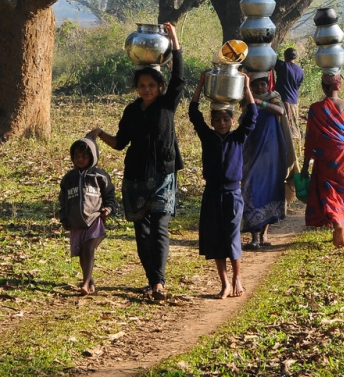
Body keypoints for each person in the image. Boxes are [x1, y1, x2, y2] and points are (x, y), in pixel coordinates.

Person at [88, 22, 184, 301]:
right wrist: (100, 134)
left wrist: (174, 39)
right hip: (135, 177)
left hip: (163, 175)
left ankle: (160, 282)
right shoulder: (131, 111)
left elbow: (179, 77)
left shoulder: (167, 104)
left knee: (160, 227)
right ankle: (151, 280)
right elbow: (120, 143)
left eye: (151, 85)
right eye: (142, 86)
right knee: (142, 231)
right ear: (137, 87)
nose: (146, 90)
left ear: (160, 87)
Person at [189, 72, 256, 299]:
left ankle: (237, 277)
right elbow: (193, 113)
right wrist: (200, 84)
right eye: (217, 120)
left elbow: (253, 115)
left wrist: (246, 87)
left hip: (232, 194)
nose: (221, 123)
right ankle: (225, 283)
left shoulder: (238, 138)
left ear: (233, 121)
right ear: (212, 122)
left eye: (226, 119)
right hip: (212, 194)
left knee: (232, 236)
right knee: (216, 238)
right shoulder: (208, 137)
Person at [301, 74, 344, 248]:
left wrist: (304, 165)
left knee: (327, 192)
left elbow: (310, 138)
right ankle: (340, 223)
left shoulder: (315, 109)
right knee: (341, 192)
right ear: (339, 87)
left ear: (323, 87)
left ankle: (336, 223)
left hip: (325, 155)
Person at [241, 73, 298, 249]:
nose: (259, 88)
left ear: (268, 86)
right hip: (252, 153)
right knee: (251, 190)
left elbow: (281, 111)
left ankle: (264, 234)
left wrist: (261, 103)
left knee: (271, 191)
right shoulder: (246, 101)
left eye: (262, 85)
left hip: (272, 154)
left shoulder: (274, 98)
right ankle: (253, 237)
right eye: (255, 86)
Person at [58, 136, 116, 296]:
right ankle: (89, 281)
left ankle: (84, 283)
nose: (80, 159)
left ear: (93, 157)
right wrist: (64, 218)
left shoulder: (100, 176)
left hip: (95, 220)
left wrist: (108, 209)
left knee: (89, 249)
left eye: (84, 156)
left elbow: (110, 196)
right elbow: (62, 201)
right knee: (82, 252)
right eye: (77, 155)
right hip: (75, 222)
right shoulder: (68, 179)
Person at [274, 48, 304, 156]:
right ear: (295, 58)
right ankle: (297, 150)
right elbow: (298, 86)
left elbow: (271, 59)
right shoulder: (300, 71)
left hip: (283, 101)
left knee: (285, 126)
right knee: (294, 125)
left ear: (285, 56)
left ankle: (286, 150)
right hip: (294, 102)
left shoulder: (282, 66)